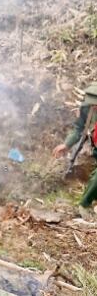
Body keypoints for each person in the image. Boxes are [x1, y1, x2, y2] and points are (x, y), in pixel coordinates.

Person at [52, 83, 97, 216]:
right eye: (92, 105)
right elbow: (79, 128)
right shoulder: (87, 109)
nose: (94, 107)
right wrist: (67, 144)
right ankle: (84, 205)